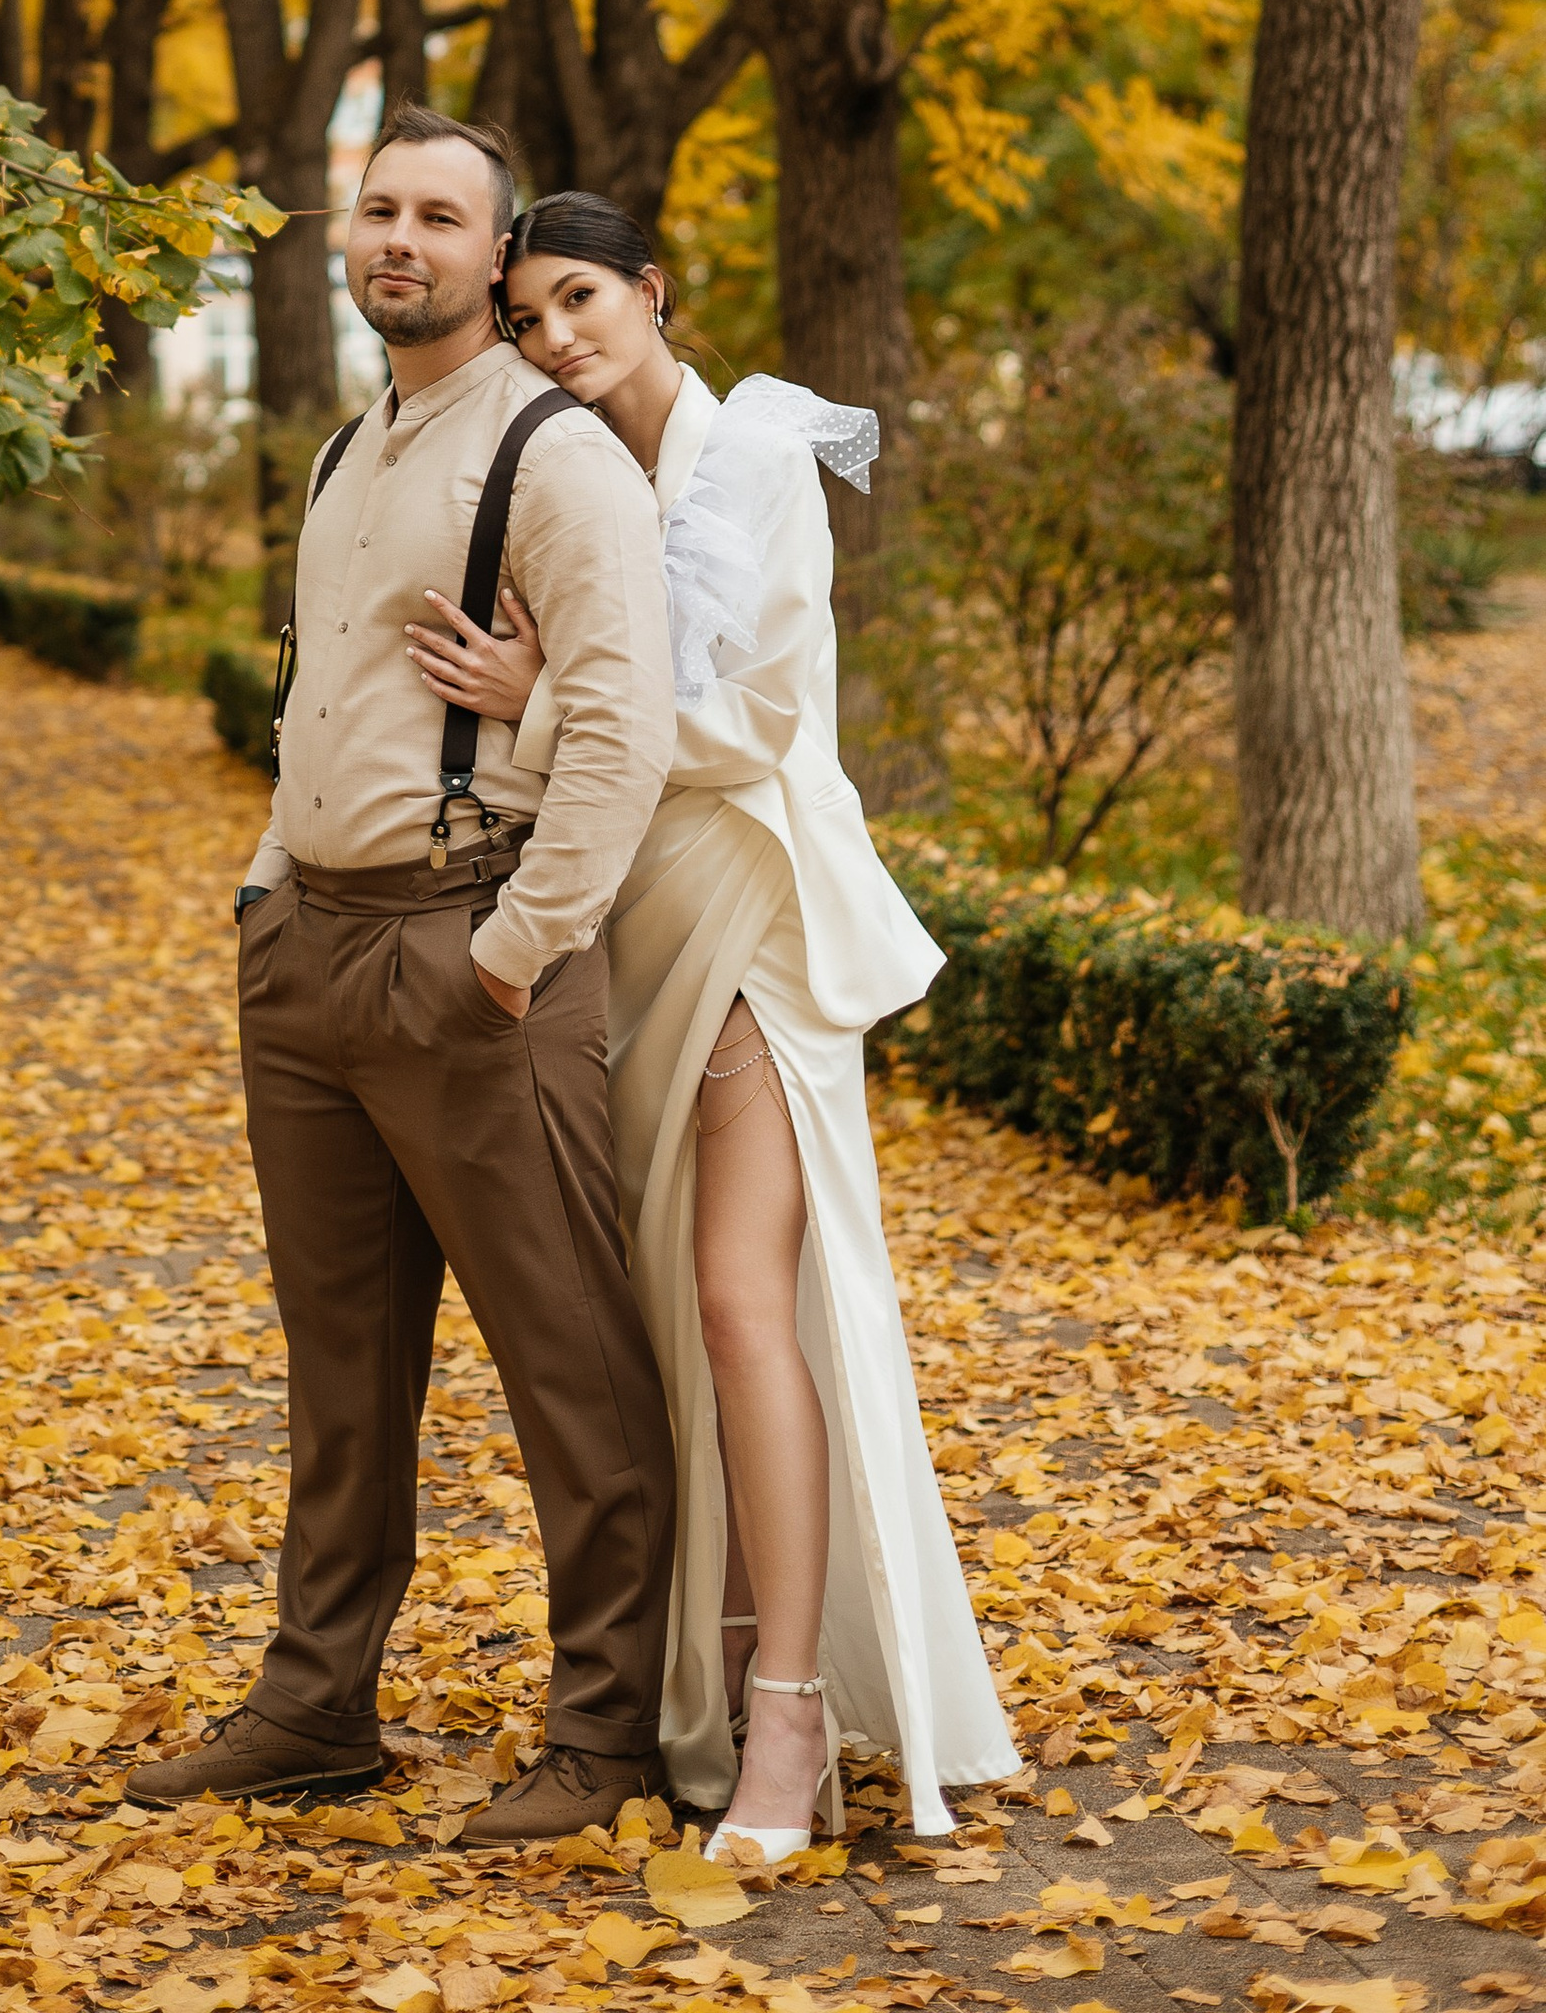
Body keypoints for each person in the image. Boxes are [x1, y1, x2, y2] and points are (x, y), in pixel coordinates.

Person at [405, 192, 1014, 1851]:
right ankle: (718, 1677)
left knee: (749, 1302)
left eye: (581, 297)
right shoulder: (580, 480)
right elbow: (570, 738)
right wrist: (537, 717)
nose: (557, 339)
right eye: (528, 318)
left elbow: (758, 719)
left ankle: (791, 1723)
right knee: (683, 1320)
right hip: (633, 922)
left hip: (752, 904)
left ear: (652, 290)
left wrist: (554, 702)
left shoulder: (753, 457)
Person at [126, 109, 685, 1841]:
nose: (401, 240)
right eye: (378, 209)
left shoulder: (552, 455)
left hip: (472, 949)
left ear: (494, 259)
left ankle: (607, 1735)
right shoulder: (344, 450)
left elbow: (621, 731)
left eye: (442, 219)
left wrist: (514, 959)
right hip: (310, 956)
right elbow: (321, 708)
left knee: (570, 1362)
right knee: (339, 1363)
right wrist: (265, 893)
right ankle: (314, 1704)